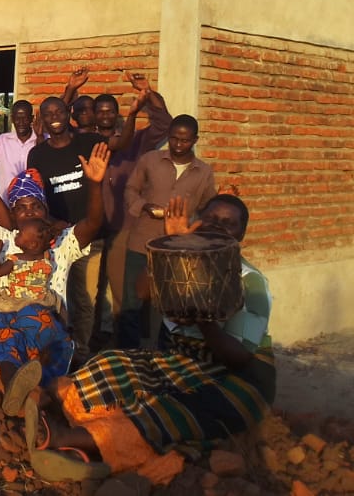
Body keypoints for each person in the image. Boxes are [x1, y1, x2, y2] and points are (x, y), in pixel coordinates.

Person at [24, 195, 273, 486]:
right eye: (211, 218)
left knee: (167, 410)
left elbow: (240, 356)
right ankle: (54, 410)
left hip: (235, 376)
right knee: (110, 362)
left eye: (228, 224)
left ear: (241, 235)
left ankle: (67, 441)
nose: (216, 226)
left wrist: (203, 320)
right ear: (199, 221)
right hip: (184, 360)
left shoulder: (249, 280)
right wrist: (170, 245)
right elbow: (143, 291)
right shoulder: (183, 258)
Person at [0, 140, 111, 415]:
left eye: (36, 205)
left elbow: (92, 223)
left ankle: (28, 394)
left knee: (35, 316)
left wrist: (95, 184)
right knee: (2, 334)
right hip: (4, 327)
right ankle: (18, 393)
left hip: (44, 329)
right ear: (12, 214)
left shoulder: (62, 243)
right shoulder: (3, 239)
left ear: (46, 211)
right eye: (21, 207)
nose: (29, 211)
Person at [117, 114, 217, 348]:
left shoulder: (203, 172)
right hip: (142, 242)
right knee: (132, 300)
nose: (178, 144)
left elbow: (207, 208)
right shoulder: (150, 160)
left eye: (185, 140)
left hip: (176, 248)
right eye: (174, 139)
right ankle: (129, 354)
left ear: (195, 140)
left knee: (166, 303)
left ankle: (160, 352)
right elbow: (131, 189)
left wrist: (191, 225)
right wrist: (144, 206)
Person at [27, 97, 107, 367]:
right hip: (56, 237)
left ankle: (80, 354)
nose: (54, 118)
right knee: (55, 296)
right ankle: (55, 351)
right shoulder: (37, 155)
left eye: (59, 111)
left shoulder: (89, 143)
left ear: (68, 113)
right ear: (42, 120)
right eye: (48, 114)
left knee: (85, 300)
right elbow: (36, 196)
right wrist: (52, 221)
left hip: (90, 236)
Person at [95, 71, 172, 312]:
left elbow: (165, 125)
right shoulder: (86, 143)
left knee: (122, 292)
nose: (105, 115)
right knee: (88, 293)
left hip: (124, 228)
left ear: (117, 114)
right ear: (94, 115)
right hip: (93, 228)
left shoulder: (137, 141)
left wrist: (148, 93)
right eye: (101, 111)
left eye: (110, 111)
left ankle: (122, 333)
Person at [0, 99, 38, 204]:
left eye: (25, 118)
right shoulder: (3, 140)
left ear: (32, 119)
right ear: (12, 119)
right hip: (7, 202)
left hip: (35, 202)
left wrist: (40, 137)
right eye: (17, 118)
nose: (21, 122)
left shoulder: (42, 139)